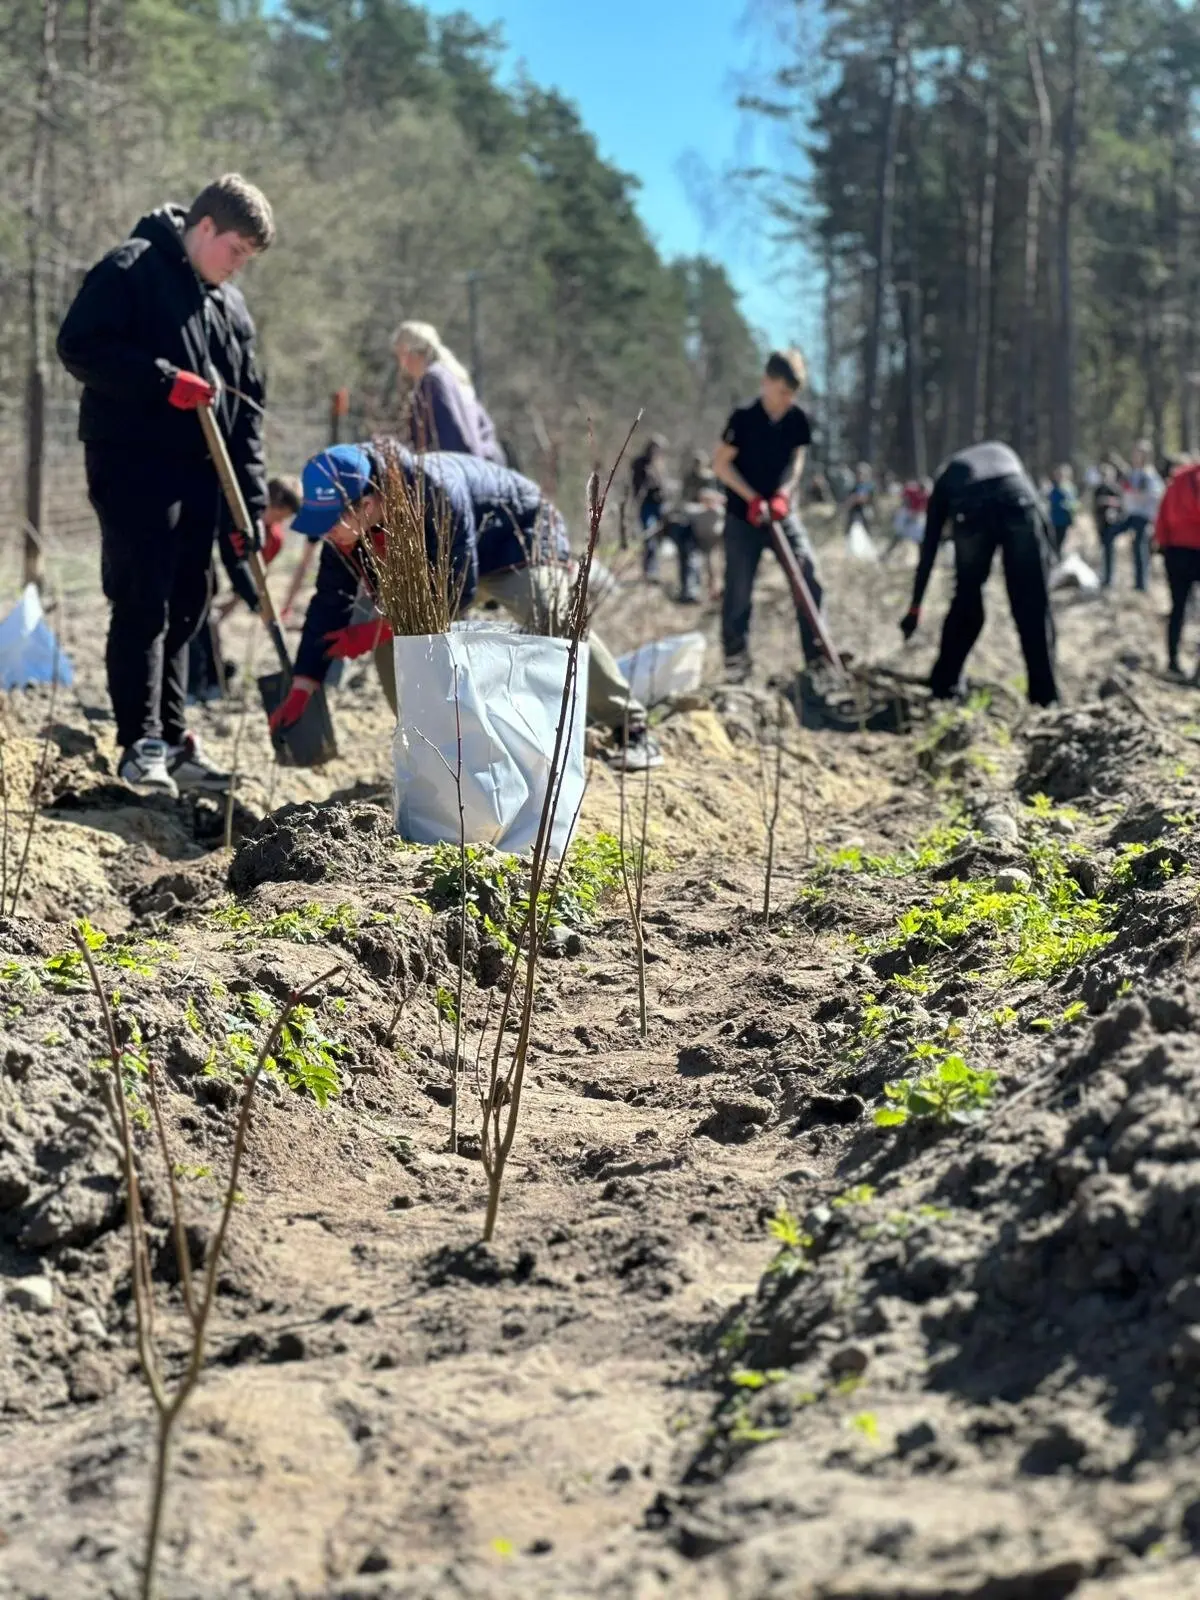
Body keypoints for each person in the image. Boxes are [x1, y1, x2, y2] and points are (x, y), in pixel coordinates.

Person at [57, 173, 274, 797]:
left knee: (188, 603)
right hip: (132, 464)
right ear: (204, 227)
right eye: (235, 250)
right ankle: (140, 744)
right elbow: (79, 345)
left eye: (247, 258)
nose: (237, 266)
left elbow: (247, 415)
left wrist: (250, 508)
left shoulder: (228, 306)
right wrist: (161, 380)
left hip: (201, 474)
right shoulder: (132, 267)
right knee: (143, 600)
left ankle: (175, 740)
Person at [275, 443, 662, 771]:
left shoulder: (433, 491)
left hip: (516, 537)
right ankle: (435, 756)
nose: (326, 532)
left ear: (367, 503)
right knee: (393, 648)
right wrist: (304, 682)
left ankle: (629, 727)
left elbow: (458, 589)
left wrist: (380, 628)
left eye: (332, 521)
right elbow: (328, 604)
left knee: (551, 612)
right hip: (454, 566)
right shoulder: (344, 532)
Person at [901, 439, 1057, 707]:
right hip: (1019, 502)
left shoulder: (946, 480)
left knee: (967, 599)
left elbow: (929, 549)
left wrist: (915, 608)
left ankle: (945, 686)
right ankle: (1044, 698)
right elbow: (1041, 516)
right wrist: (1051, 559)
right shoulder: (1005, 453)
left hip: (973, 510)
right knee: (1032, 605)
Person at [712, 349, 824, 680]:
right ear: (766, 382)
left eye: (793, 394)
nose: (788, 399)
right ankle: (737, 667)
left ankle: (817, 661)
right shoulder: (743, 419)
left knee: (807, 571)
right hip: (742, 517)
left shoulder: (797, 420)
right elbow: (720, 465)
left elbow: (797, 460)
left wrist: (784, 493)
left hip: (780, 512)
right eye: (783, 392)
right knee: (739, 591)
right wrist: (751, 498)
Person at [188, 474, 302, 702]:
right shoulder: (238, 512)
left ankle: (213, 678)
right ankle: (200, 682)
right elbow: (233, 560)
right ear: (272, 504)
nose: (282, 522)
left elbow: (251, 578)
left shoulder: (274, 538)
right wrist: (253, 601)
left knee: (208, 619)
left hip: (232, 578)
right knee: (199, 606)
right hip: (192, 547)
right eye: (281, 516)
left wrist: (251, 602)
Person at [393, 320, 504, 463]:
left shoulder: (432, 382)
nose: (401, 364)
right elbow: (485, 427)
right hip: (484, 464)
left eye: (399, 355)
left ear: (409, 352)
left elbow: (450, 438)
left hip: (459, 468)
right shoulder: (454, 376)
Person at [1153, 457, 1200, 679]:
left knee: (1177, 607)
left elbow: (1161, 516)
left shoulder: (1176, 482)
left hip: (1175, 551)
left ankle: (1172, 660)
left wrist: (1162, 544)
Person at [1105, 443, 1163, 591]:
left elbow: (1155, 494)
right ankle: (1108, 578)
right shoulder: (1133, 473)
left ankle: (1141, 584)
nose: (1135, 457)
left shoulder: (1149, 474)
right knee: (1109, 535)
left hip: (1143, 516)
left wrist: (1136, 492)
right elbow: (1126, 492)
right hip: (1130, 514)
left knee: (1139, 547)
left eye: (1139, 454)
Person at [631, 436, 668, 579]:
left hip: (659, 505)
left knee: (658, 537)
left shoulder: (660, 464)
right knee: (649, 535)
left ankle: (654, 569)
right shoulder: (641, 463)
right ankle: (649, 570)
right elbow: (638, 484)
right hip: (646, 504)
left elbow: (662, 486)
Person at [1047, 463, 1078, 557]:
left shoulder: (1070, 488)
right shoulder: (1053, 488)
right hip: (1054, 519)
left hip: (1065, 520)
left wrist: (1065, 505)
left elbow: (1074, 504)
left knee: (1063, 543)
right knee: (1054, 543)